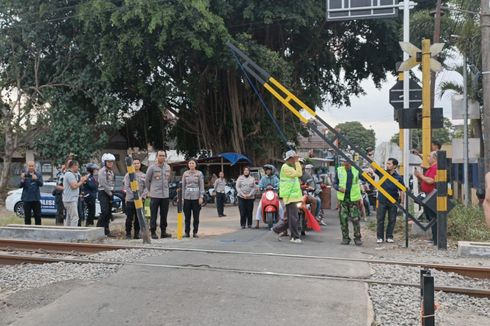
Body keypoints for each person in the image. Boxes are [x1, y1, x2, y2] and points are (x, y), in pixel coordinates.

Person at [271, 150, 303, 243]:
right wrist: (297, 162)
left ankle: (276, 230)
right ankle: (295, 237)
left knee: (290, 218)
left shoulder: (289, 167)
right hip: (290, 197)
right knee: (293, 218)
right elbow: (299, 173)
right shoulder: (286, 168)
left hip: (292, 196)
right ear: (290, 158)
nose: (295, 160)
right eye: (294, 158)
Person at [334, 155, 363, 246]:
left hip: (353, 199)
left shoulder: (356, 170)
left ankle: (357, 238)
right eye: (343, 161)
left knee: (355, 219)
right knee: (343, 219)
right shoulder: (339, 170)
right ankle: (345, 238)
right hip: (343, 199)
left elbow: (365, 179)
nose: (345, 163)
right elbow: (335, 183)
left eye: (347, 161)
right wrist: (338, 188)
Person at [376, 158, 404, 244]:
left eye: (389, 164)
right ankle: (380, 237)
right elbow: (373, 167)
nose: (387, 165)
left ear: (394, 166)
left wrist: (402, 202)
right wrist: (369, 156)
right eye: (387, 163)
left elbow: (402, 189)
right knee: (380, 219)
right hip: (382, 200)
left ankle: (389, 236)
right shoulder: (382, 173)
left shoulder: (398, 177)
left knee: (392, 219)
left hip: (393, 201)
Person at [145, 150, 172, 239]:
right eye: (160, 155)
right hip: (155, 195)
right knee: (154, 214)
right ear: (156, 157)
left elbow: (168, 180)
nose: (162, 157)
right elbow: (147, 181)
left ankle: (163, 232)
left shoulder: (168, 167)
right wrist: (150, 190)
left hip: (165, 195)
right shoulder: (151, 168)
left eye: (163, 155)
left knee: (164, 214)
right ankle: (153, 231)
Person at [414, 151, 438, 244]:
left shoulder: (435, 168)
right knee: (430, 217)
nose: (427, 158)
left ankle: (436, 239)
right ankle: (434, 237)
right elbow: (425, 180)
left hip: (432, 195)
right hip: (428, 195)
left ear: (434, 158)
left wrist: (420, 175)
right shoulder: (430, 168)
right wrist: (419, 177)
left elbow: (430, 180)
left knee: (433, 217)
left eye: (429, 156)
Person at [254, 164, 283, 228]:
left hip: (274, 195)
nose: (268, 171)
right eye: (266, 170)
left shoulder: (275, 178)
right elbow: (260, 185)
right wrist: (260, 188)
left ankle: (283, 222)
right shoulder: (263, 178)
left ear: (272, 171)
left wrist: (276, 188)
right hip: (265, 195)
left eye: (269, 170)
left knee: (280, 208)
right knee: (259, 207)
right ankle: (257, 223)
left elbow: (279, 185)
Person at [181, 159, 205, 238]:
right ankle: (187, 232)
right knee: (187, 217)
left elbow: (201, 186)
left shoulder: (199, 173)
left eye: (193, 163)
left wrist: (201, 197)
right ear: (188, 165)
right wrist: (182, 197)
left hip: (196, 197)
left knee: (196, 216)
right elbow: (183, 186)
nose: (191, 164)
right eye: (190, 163)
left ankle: (195, 232)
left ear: (195, 164)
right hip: (187, 197)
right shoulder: (185, 173)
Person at [124, 159, 146, 239]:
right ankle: (128, 234)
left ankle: (137, 234)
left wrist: (142, 196)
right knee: (129, 217)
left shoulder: (144, 175)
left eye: (138, 163)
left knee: (138, 217)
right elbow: (126, 187)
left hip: (140, 200)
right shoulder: (128, 175)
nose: (136, 165)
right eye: (134, 163)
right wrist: (135, 196)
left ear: (140, 164)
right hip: (131, 200)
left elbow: (146, 187)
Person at [63, 160, 88, 227]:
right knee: (75, 218)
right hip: (70, 199)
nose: (78, 168)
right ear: (74, 166)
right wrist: (81, 181)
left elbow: (77, 183)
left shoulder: (74, 174)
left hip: (70, 199)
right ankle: (73, 233)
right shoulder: (69, 174)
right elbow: (74, 186)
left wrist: (82, 180)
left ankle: (67, 232)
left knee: (69, 218)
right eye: (77, 166)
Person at [97, 153, 116, 237]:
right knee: (104, 211)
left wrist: (111, 193)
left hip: (110, 192)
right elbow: (103, 183)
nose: (110, 163)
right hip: (103, 192)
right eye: (108, 162)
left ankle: (106, 230)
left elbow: (112, 183)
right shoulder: (102, 171)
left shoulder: (111, 171)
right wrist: (110, 193)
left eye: (112, 162)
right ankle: (98, 229)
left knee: (108, 212)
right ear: (104, 162)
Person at [20, 161, 43, 225]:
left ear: (34, 166)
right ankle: (27, 231)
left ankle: (38, 231)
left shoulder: (38, 174)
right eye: (29, 166)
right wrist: (22, 179)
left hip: (36, 198)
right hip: (27, 199)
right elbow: (20, 186)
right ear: (27, 167)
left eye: (32, 166)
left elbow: (41, 184)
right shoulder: (24, 174)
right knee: (27, 216)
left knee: (38, 216)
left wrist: (36, 179)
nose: (31, 167)